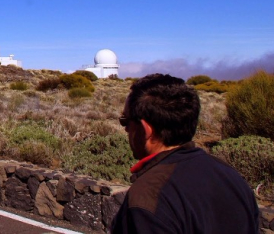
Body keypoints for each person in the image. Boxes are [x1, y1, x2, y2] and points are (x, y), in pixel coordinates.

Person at [110, 74, 259, 234]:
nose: (125, 129)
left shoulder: (148, 196)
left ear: (146, 129)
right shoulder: (230, 176)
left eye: (126, 121)